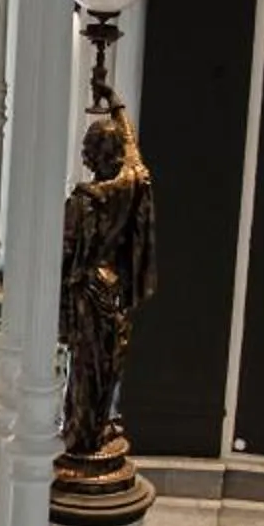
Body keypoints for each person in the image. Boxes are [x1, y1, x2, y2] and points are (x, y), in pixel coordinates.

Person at [60, 103, 157, 463]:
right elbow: (136, 159)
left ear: (90, 156)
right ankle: (94, 427)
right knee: (108, 364)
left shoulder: (83, 203)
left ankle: (82, 435)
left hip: (86, 292)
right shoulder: (128, 189)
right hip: (113, 289)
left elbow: (65, 255)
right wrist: (117, 105)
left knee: (86, 368)